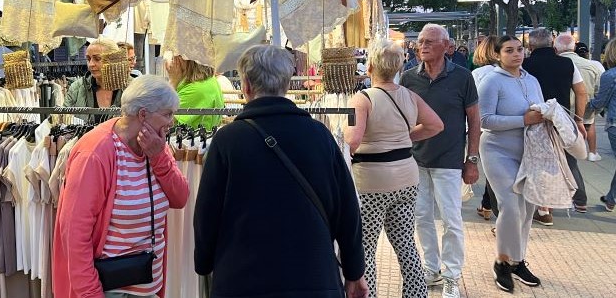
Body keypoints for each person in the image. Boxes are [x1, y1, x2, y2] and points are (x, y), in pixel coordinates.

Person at [194, 45, 368, 298]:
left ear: (246, 86)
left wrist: (204, 263)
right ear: (287, 84)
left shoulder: (227, 140)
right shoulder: (320, 136)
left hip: (242, 280)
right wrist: (354, 271)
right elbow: (347, 210)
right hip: (314, 277)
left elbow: (207, 213)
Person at [53, 75, 190, 298]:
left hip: (149, 284)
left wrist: (159, 157)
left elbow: (180, 198)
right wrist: (90, 294)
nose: (172, 121)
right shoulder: (95, 153)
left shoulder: (156, 144)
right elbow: (74, 233)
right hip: (110, 289)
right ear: (143, 114)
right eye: (167, 114)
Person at [345, 38, 443, 298]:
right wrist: (404, 138)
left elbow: (352, 141)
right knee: (406, 243)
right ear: (399, 68)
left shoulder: (362, 99)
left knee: (366, 247)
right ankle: (416, 294)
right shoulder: (410, 96)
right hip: (407, 177)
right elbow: (436, 125)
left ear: (369, 67)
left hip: (371, 182)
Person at [400, 24, 480, 298]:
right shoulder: (409, 77)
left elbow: (474, 120)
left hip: (449, 160)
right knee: (421, 217)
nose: (422, 46)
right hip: (416, 159)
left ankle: (451, 275)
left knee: (451, 220)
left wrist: (472, 159)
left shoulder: (462, 77)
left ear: (446, 46)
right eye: (421, 41)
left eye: (430, 42)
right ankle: (431, 268)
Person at [478, 35, 544, 292]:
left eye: (519, 49)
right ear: (497, 55)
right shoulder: (491, 81)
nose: (516, 54)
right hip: (497, 150)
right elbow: (484, 120)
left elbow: (541, 109)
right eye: (509, 50)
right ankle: (502, 262)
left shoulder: (532, 80)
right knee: (510, 206)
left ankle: (517, 260)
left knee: (527, 207)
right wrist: (523, 120)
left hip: (529, 150)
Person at [522, 28, 588, 220]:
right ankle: (573, 199)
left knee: (536, 163)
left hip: (534, 119)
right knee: (565, 160)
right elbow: (581, 92)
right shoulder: (567, 64)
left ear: (530, 46)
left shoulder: (524, 64)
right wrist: (578, 119)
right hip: (561, 119)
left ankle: (543, 207)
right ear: (552, 44)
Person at [471, 35, 500, 221]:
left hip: (482, 127)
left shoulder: (478, 74)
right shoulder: (510, 73)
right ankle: (488, 204)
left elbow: (472, 103)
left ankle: (490, 206)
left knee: (488, 169)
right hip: (504, 126)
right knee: (496, 171)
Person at [64, 38, 126, 123]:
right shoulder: (77, 88)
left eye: (97, 59)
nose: (91, 64)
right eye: (88, 59)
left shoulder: (132, 88)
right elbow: (63, 120)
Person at [588, 38, 616, 212]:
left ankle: (612, 198)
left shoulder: (610, 75)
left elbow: (600, 102)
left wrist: (585, 105)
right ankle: (611, 198)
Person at [569, 40, 606, 161]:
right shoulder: (594, 65)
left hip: (568, 103)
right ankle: (592, 152)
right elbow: (600, 86)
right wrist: (597, 107)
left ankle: (573, 153)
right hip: (587, 102)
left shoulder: (566, 62)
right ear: (587, 53)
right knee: (589, 125)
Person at [165, 55, 225, 130]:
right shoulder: (209, 80)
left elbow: (162, 121)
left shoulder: (195, 89)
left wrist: (173, 81)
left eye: (178, 55)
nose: (173, 60)